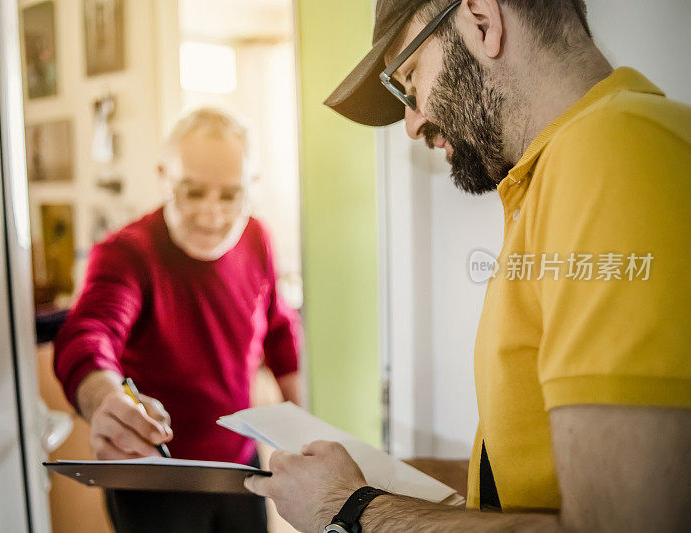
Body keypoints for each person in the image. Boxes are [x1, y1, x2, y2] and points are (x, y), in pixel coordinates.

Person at [244, 1, 691, 531]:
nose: (411, 123)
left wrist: (349, 508)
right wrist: (381, 479)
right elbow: (538, 486)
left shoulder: (612, 152)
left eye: (410, 77)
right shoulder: (564, 170)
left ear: (482, 20)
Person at [53, 107, 302, 533]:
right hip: (156, 476)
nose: (211, 214)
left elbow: (278, 329)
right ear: (163, 176)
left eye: (229, 195)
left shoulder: (258, 237)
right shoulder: (127, 254)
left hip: (239, 467)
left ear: (251, 187)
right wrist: (103, 399)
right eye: (192, 192)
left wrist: (302, 425)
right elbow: (90, 332)